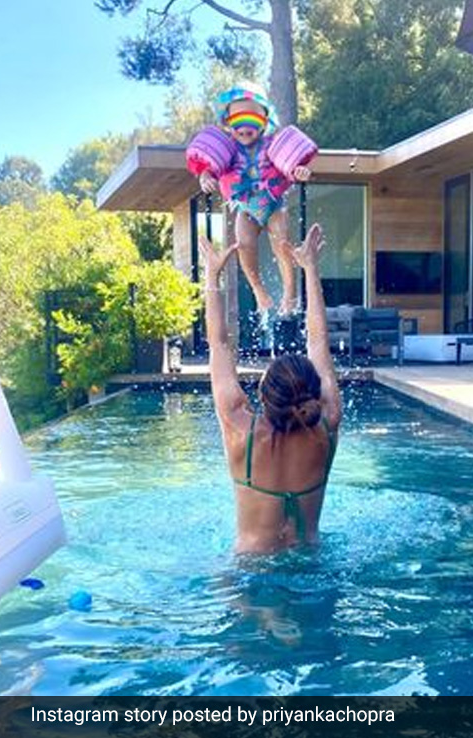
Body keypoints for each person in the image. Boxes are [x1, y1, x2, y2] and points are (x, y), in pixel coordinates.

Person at [198, 223, 342, 554]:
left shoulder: (239, 428)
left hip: (251, 568)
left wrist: (212, 277)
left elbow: (219, 344)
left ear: (264, 394)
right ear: (314, 392)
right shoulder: (328, 422)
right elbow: (318, 342)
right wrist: (310, 269)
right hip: (311, 562)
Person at [198, 84, 313, 316]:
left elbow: (291, 165)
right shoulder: (228, 149)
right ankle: (259, 291)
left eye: (252, 120)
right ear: (228, 124)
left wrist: (300, 171)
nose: (245, 127)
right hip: (246, 207)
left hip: (273, 203)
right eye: (238, 121)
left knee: (282, 244)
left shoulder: (272, 144)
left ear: (263, 123)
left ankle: (290, 293)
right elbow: (210, 167)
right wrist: (205, 177)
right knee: (244, 244)